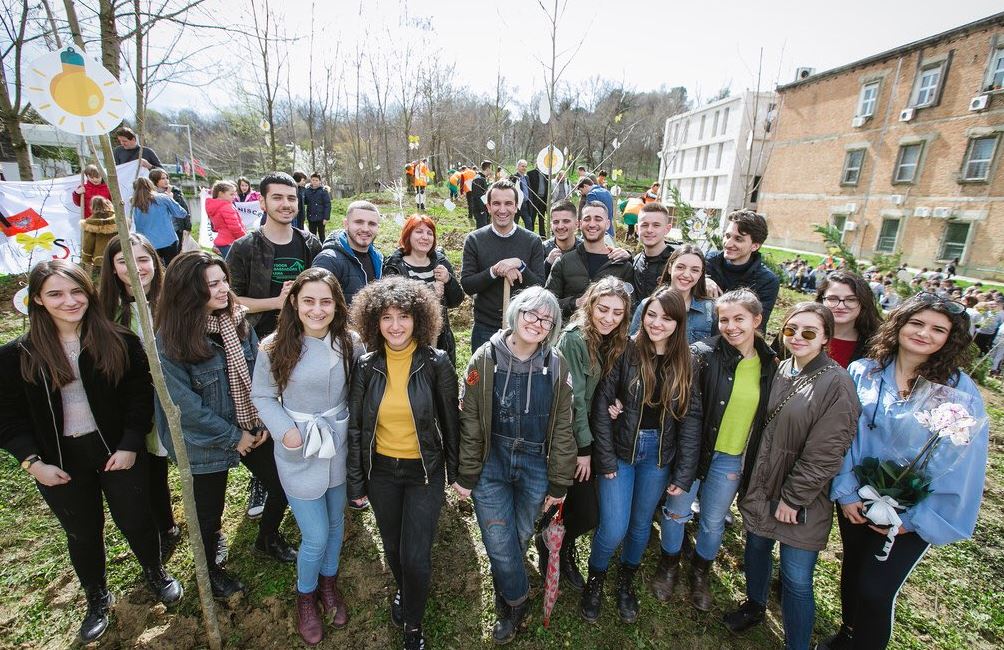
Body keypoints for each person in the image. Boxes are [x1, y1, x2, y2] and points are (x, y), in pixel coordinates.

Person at [0, 260, 182, 643]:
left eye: (76, 291)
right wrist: (33, 463)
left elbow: (139, 395)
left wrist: (132, 443)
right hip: (58, 462)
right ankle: (96, 596)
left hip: (118, 452)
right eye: (56, 294)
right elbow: (8, 417)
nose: (69, 301)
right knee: (83, 532)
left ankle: (154, 570)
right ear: (37, 299)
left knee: (135, 518)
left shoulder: (117, 340)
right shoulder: (17, 356)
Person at [825, 292, 988, 650]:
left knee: (875, 589)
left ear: (950, 337)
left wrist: (909, 517)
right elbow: (843, 433)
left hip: (911, 511)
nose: (923, 333)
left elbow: (958, 459)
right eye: (916, 322)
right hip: (857, 497)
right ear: (899, 323)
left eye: (937, 329)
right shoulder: (864, 371)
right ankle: (847, 635)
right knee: (852, 573)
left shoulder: (957, 391)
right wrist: (847, 491)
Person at [155, 252, 296, 601]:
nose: (223, 290)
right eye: (212, 285)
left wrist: (261, 420)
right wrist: (235, 437)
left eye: (223, 281)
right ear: (187, 292)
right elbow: (184, 407)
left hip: (251, 424)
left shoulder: (238, 322)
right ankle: (210, 572)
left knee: (283, 483)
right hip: (205, 439)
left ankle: (267, 538)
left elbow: (257, 376)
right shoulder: (171, 341)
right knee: (207, 514)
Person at [724, 302, 859, 650]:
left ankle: (796, 644)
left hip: (801, 497)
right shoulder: (782, 369)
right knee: (756, 548)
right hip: (763, 482)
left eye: (809, 332)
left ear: (826, 337)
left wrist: (793, 497)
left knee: (797, 577)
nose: (798, 337)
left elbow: (827, 450)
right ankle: (754, 605)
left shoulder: (836, 383)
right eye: (791, 330)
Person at [455, 286, 576, 644]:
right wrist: (467, 472)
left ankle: (506, 585)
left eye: (546, 320)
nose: (536, 323)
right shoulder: (484, 358)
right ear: (516, 313)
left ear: (552, 329)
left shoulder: (556, 366)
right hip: (492, 459)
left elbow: (564, 427)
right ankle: (518, 600)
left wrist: (559, 482)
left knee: (519, 535)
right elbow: (472, 420)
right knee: (497, 537)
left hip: (537, 461)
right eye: (530, 314)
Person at [347, 277, 460, 650]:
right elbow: (357, 428)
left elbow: (450, 422)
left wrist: (457, 474)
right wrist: (356, 483)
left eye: (404, 317)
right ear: (373, 323)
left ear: (419, 320)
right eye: (387, 318)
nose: (395, 326)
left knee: (415, 554)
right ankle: (403, 591)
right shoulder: (365, 366)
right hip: (381, 472)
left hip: (424, 472)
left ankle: (413, 624)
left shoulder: (436, 362)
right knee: (393, 548)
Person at [250, 268, 362, 645]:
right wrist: (286, 430)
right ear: (294, 302)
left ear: (337, 305)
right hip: (299, 446)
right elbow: (263, 396)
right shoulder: (274, 346)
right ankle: (305, 596)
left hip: (337, 441)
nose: (317, 310)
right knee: (313, 533)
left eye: (326, 301)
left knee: (334, 524)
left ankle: (329, 585)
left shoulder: (350, 343)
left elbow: (358, 391)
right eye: (309, 301)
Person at [582, 288, 700, 625]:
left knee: (639, 527)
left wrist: (683, 473)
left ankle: (625, 580)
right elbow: (602, 407)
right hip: (621, 451)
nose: (657, 323)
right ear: (643, 315)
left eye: (666, 318)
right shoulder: (625, 351)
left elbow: (692, 420)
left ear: (679, 323)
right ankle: (597, 578)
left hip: (658, 457)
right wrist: (604, 460)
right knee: (614, 527)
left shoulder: (687, 361)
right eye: (651, 314)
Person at [654, 289, 778, 611]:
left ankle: (700, 573)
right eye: (724, 319)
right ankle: (668, 564)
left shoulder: (769, 364)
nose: (731, 326)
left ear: (756, 320)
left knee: (712, 520)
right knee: (677, 511)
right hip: (694, 452)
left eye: (739, 319)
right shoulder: (702, 354)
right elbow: (685, 412)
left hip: (731, 457)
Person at [541, 278, 632, 593]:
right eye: (602, 309)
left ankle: (559, 544)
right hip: (570, 434)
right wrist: (584, 448)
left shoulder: (615, 340)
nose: (608, 318)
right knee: (585, 508)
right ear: (589, 305)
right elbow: (574, 399)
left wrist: (617, 400)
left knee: (583, 507)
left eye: (617, 313)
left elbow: (613, 384)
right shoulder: (574, 340)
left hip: (596, 433)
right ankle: (553, 548)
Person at [99, 234, 181, 560]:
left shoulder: (171, 301)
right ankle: (164, 525)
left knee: (169, 457)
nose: (137, 267)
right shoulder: (107, 312)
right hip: (133, 403)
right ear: (113, 268)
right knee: (148, 464)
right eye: (125, 261)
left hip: (171, 395)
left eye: (143, 259)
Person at [460, 179, 545, 352]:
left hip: (523, 327)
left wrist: (521, 266)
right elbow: (468, 285)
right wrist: (494, 271)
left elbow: (539, 286)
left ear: (516, 207)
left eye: (508, 203)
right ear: (488, 207)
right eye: (496, 204)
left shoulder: (532, 241)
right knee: (485, 377)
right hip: (485, 327)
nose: (502, 209)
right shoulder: (475, 240)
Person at [382, 215, 465, 365]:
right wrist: (429, 291)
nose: (425, 237)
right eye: (419, 232)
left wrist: (448, 280)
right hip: (407, 340)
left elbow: (456, 301)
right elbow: (393, 304)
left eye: (429, 233)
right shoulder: (395, 266)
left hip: (440, 340)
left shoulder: (440, 262)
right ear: (408, 235)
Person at [544, 201, 634, 318]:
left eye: (598, 219)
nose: (592, 224)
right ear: (580, 224)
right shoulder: (564, 262)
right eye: (587, 219)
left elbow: (630, 309)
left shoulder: (622, 266)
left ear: (607, 224)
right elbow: (547, 303)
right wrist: (575, 303)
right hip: (569, 332)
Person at [705, 209, 780, 327]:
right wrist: (703, 278)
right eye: (727, 236)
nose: (728, 244)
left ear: (755, 246)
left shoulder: (767, 281)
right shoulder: (708, 262)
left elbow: (756, 325)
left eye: (738, 239)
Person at [629, 245, 716, 342]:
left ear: (700, 274)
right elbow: (632, 346)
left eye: (695, 270)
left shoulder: (710, 310)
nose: (686, 275)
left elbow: (718, 349)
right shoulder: (646, 305)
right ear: (670, 268)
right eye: (680, 267)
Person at [311, 200, 384, 305]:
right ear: (346, 224)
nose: (365, 229)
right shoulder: (328, 260)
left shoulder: (379, 259)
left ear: (378, 228)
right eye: (359, 222)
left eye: (372, 224)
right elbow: (316, 305)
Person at [812, 271, 882, 368]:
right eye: (832, 298)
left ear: (863, 302)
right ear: (821, 300)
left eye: (851, 299)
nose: (841, 306)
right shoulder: (802, 334)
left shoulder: (877, 346)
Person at [130, 177, 185, 268]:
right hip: (168, 240)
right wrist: (171, 199)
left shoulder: (132, 203)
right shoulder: (163, 198)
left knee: (154, 270)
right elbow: (181, 213)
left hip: (146, 242)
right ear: (151, 185)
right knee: (172, 268)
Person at [632, 202, 675, 302]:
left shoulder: (677, 262)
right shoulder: (636, 261)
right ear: (637, 229)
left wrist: (706, 280)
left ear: (667, 229)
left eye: (656, 225)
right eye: (645, 225)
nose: (649, 230)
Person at [148, 168, 191, 246]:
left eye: (167, 178)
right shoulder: (151, 196)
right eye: (162, 178)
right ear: (154, 180)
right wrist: (167, 198)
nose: (166, 180)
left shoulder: (175, 192)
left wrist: (187, 228)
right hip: (159, 233)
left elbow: (185, 210)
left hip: (177, 230)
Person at [205, 180, 248, 259]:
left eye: (234, 194)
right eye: (231, 194)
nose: (234, 197)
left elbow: (215, 226)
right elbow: (235, 227)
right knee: (235, 268)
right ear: (221, 193)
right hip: (230, 242)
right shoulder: (226, 207)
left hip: (222, 241)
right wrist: (246, 238)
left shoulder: (215, 206)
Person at [542, 200, 581, 281]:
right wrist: (547, 264)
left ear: (576, 224)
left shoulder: (584, 249)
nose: (560, 226)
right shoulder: (541, 249)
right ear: (551, 225)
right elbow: (535, 283)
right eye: (556, 222)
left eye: (566, 221)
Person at [80, 197, 119, 274]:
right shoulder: (116, 219)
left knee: (102, 280)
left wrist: (86, 259)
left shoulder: (91, 223)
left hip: (100, 259)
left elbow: (88, 243)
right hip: (117, 255)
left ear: (92, 206)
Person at [303, 173, 333, 241]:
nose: (315, 182)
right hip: (311, 217)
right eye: (313, 180)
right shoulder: (307, 190)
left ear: (319, 181)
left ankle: (323, 248)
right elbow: (305, 202)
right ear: (311, 180)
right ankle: (313, 249)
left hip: (321, 217)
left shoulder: (323, 191)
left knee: (322, 234)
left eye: (316, 180)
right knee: (312, 235)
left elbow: (327, 205)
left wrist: (326, 218)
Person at [526, 163, 550, 237]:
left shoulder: (546, 174)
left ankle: (542, 234)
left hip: (543, 199)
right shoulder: (530, 173)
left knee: (542, 217)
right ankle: (531, 234)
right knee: (532, 217)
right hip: (534, 199)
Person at [468, 160, 492, 229]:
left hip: (484, 209)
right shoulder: (478, 179)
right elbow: (478, 196)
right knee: (482, 229)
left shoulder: (483, 178)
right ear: (487, 169)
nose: (491, 171)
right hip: (480, 210)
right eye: (490, 169)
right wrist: (482, 210)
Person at [511, 159, 533, 231]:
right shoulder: (513, 177)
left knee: (529, 223)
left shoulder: (526, 177)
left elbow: (529, 190)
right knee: (514, 223)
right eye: (522, 166)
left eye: (525, 167)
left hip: (526, 204)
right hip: (517, 205)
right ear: (517, 167)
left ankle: (530, 240)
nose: (524, 168)